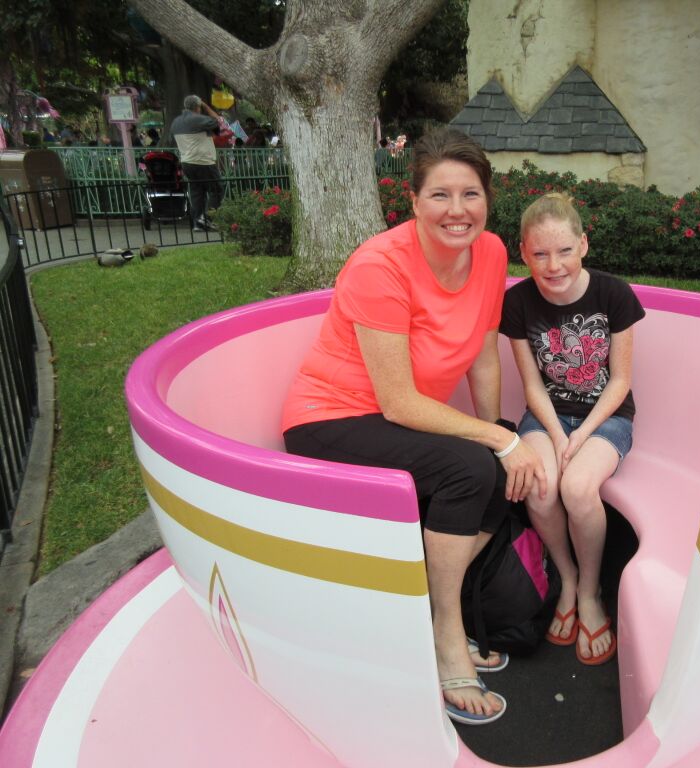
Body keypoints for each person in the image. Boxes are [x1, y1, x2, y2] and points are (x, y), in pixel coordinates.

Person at [281, 128, 546, 726]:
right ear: (414, 200)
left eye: (471, 194)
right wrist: (498, 441)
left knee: (498, 466)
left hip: (395, 417)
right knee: (475, 464)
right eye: (441, 196)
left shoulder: (493, 253)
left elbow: (481, 351)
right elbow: (398, 402)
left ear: (488, 199)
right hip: (332, 416)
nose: (458, 211)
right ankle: (445, 632)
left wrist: (495, 429)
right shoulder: (381, 264)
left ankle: (422, 603)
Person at [499, 192, 645, 666]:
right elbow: (533, 385)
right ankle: (564, 577)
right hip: (548, 416)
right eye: (539, 253)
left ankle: (589, 591)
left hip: (607, 416)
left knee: (580, 488)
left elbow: (620, 380)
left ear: (583, 244)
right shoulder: (518, 301)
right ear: (523, 252)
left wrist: (582, 437)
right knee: (542, 487)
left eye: (563, 250)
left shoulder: (613, 294)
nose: (553, 264)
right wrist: (560, 436)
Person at [168, 94, 225, 231]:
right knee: (216, 189)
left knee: (197, 192)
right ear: (197, 107)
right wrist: (206, 106)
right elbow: (219, 121)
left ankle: (197, 222)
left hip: (187, 161)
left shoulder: (176, 122)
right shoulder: (198, 119)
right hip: (203, 161)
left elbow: (171, 139)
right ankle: (207, 219)